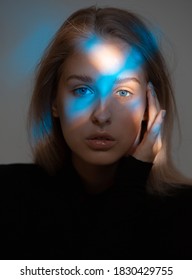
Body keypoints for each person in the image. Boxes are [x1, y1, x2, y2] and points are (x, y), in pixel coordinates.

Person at [0, 5, 192, 260]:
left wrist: (132, 181)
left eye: (123, 92)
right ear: (54, 101)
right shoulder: (8, 194)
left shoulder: (184, 213)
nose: (102, 115)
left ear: (149, 106)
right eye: (82, 90)